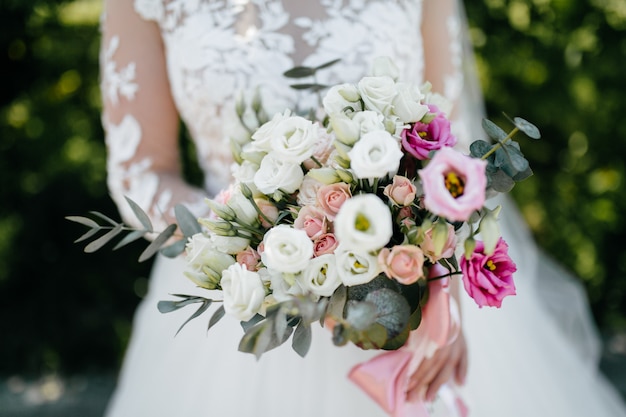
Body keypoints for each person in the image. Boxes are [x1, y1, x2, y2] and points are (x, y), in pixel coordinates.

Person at [99, 1, 626, 416]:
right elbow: (140, 173)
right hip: (246, 306)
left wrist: (442, 289)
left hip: (413, 289)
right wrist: (262, 242)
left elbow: (454, 151)